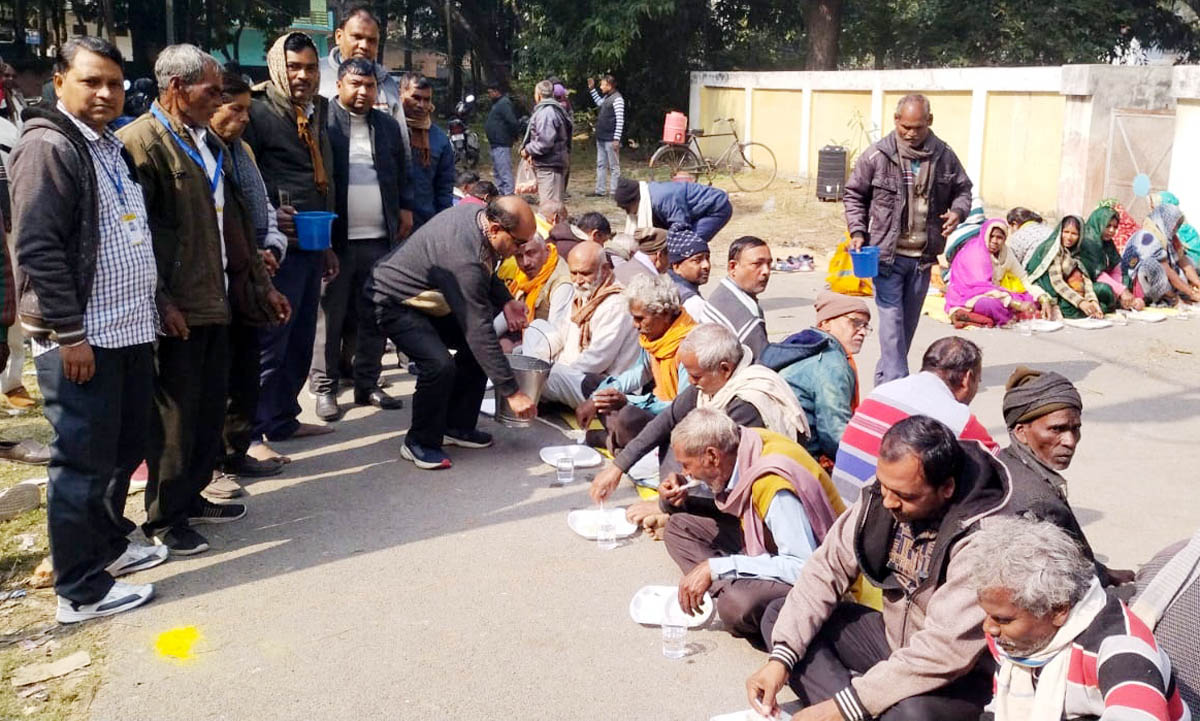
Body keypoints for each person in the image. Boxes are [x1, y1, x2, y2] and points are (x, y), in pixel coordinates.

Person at [11, 36, 163, 621]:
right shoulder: (47, 146)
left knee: (123, 448)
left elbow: (130, 232)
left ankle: (108, 549)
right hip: (82, 338)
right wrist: (69, 335)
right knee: (80, 460)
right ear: (58, 81)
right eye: (91, 81)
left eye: (115, 83)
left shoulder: (105, 144)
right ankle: (79, 590)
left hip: (126, 329)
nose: (105, 93)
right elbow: (38, 247)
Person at [118, 44, 291, 553]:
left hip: (216, 298)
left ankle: (191, 497)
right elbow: (138, 237)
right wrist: (160, 301)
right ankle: (164, 518)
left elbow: (232, 227)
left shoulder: (203, 143)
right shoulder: (141, 144)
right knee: (174, 419)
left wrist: (260, 287)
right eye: (212, 90)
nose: (220, 100)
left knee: (207, 410)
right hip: (178, 308)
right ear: (177, 89)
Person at [747, 415, 1010, 721]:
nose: (888, 502)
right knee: (782, 617)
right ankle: (853, 711)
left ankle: (849, 710)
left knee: (913, 715)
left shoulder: (981, 535)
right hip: (893, 642)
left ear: (947, 488)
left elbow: (945, 649)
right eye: (883, 486)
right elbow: (826, 568)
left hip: (956, 674)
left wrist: (842, 708)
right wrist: (780, 660)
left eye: (905, 496)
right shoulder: (884, 497)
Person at [359, 197, 538, 470]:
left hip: (426, 296)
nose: (520, 250)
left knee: (476, 350)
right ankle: (419, 441)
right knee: (438, 364)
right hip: (390, 300)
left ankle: (456, 425)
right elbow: (477, 330)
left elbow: (485, 272)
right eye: (518, 242)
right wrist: (512, 392)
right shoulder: (465, 258)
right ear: (494, 228)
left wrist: (506, 300)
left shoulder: (476, 216)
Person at [968, 517, 1188, 721]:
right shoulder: (1015, 640)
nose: (989, 628)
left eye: (1003, 620)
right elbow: (1001, 706)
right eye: (987, 615)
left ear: (1058, 611)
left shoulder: (1122, 649)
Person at [660, 408, 843, 646]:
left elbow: (803, 566)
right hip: (763, 542)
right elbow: (733, 486)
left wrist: (718, 568)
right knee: (677, 528)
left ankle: (728, 586)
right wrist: (688, 484)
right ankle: (730, 582)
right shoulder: (744, 443)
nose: (685, 472)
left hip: (817, 575)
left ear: (713, 456)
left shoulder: (774, 485)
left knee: (735, 606)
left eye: (687, 466)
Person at [243, 32, 340, 450]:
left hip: (313, 241)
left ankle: (282, 418)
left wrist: (328, 244)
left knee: (300, 338)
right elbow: (244, 175)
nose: (302, 75)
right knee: (269, 341)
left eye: (310, 67)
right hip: (276, 246)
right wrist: (265, 220)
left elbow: (325, 180)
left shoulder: (317, 110)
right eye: (294, 67)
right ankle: (248, 433)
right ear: (276, 67)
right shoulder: (259, 111)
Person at [589, 323, 809, 505]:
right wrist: (617, 468)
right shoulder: (709, 384)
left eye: (696, 376)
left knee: (678, 528)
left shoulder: (746, 404)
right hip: (709, 472)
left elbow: (730, 475)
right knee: (665, 436)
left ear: (724, 369)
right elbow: (666, 420)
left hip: (742, 492)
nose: (692, 383)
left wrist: (669, 503)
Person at [844, 94, 972, 385]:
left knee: (905, 331)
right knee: (891, 325)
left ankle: (883, 384)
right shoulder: (877, 155)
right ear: (896, 121)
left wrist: (957, 212)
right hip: (886, 257)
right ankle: (898, 388)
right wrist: (858, 232)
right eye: (906, 128)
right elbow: (854, 195)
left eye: (918, 128)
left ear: (929, 121)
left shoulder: (944, 156)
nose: (911, 134)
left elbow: (963, 190)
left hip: (923, 260)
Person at [310, 57, 408, 422]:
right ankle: (324, 388)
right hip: (337, 240)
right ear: (339, 85)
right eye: (355, 84)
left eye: (368, 86)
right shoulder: (323, 123)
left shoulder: (384, 125)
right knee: (330, 316)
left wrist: (405, 210)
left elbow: (401, 171)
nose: (363, 92)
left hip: (380, 238)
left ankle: (367, 383)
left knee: (375, 314)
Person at [208, 71, 291, 483]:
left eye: (246, 110)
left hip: (251, 276)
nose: (242, 119)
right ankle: (210, 467)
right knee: (214, 382)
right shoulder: (200, 152)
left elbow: (265, 211)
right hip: (214, 282)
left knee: (245, 370)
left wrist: (272, 249)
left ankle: (236, 452)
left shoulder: (243, 152)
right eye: (233, 108)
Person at [997, 367, 1135, 588]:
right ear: (1021, 431)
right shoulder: (1037, 502)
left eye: (1075, 428)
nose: (1070, 441)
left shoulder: (1005, 462)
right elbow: (1061, 589)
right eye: (1056, 429)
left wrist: (1103, 572)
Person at [831, 336, 996, 504]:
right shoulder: (961, 422)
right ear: (967, 378)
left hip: (838, 505)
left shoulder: (881, 392)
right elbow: (1002, 472)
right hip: (875, 517)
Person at [577, 273, 697, 455]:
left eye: (640, 319)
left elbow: (681, 407)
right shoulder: (654, 337)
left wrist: (628, 400)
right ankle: (619, 440)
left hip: (675, 421)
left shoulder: (689, 346)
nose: (635, 325)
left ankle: (612, 441)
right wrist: (599, 397)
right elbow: (639, 373)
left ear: (664, 314)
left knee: (629, 416)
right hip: (655, 407)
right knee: (593, 383)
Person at [318, 2, 412, 228]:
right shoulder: (317, 76)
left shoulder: (386, 84)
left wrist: (405, 204)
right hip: (328, 204)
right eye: (357, 37)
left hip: (379, 214)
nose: (364, 45)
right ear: (339, 36)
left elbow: (403, 151)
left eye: (371, 40)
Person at [528, 240, 639, 409]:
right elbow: (560, 331)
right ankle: (535, 387)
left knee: (547, 376)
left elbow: (598, 360)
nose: (578, 280)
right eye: (574, 273)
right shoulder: (585, 292)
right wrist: (536, 362)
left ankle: (533, 394)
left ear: (605, 269)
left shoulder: (616, 303)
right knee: (535, 329)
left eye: (585, 273)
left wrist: (552, 370)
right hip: (570, 369)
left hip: (601, 385)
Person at [769, 291, 869, 467]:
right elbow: (834, 434)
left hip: (775, 446)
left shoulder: (803, 343)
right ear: (826, 323)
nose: (862, 332)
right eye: (855, 323)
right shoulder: (832, 364)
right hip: (798, 459)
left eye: (865, 326)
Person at [945, 217, 1051, 327]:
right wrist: (1015, 304)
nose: (994, 241)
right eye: (991, 236)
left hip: (998, 293)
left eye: (999, 237)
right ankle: (1009, 316)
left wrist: (1042, 297)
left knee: (1030, 298)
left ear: (1005, 239)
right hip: (969, 295)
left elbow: (1023, 278)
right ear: (985, 235)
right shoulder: (976, 253)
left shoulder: (1006, 253)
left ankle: (1009, 313)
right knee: (989, 304)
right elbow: (981, 287)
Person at [700, 235, 771, 361]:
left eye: (769, 264)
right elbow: (764, 362)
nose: (766, 271)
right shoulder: (745, 314)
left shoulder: (723, 292)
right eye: (757, 264)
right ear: (732, 267)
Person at [399, 72, 455, 229]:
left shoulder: (440, 140)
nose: (422, 105)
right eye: (415, 98)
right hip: (391, 223)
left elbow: (444, 188)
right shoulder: (389, 131)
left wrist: (442, 224)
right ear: (401, 94)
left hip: (424, 224)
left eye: (426, 99)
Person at [1024, 215, 1108, 319]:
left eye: (1074, 234)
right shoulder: (1053, 250)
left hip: (1073, 289)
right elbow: (1057, 282)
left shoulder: (1079, 251)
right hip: (1052, 291)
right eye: (1066, 232)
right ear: (1060, 232)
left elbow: (1086, 280)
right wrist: (1081, 302)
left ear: (1080, 236)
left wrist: (1092, 301)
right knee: (1071, 309)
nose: (1069, 237)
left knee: (1105, 292)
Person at [1121, 202, 1200, 306]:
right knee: (1151, 265)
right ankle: (1172, 298)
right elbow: (1166, 270)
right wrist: (1190, 292)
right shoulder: (1148, 236)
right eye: (1174, 224)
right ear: (1166, 221)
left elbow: (1183, 261)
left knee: (1189, 261)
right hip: (1137, 283)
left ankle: (1174, 295)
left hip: (1163, 281)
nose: (1175, 228)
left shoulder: (1170, 238)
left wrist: (1198, 284)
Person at [498, 232, 573, 339]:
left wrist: (516, 350)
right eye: (519, 256)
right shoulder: (522, 276)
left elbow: (555, 336)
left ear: (546, 250)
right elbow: (513, 309)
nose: (525, 262)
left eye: (531, 253)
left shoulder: (562, 284)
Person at [615, 177, 733, 242]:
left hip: (716, 208)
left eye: (627, 208)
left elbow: (681, 230)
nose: (629, 213)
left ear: (635, 200)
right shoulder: (648, 197)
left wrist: (657, 234)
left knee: (688, 244)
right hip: (695, 211)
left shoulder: (660, 200)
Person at [1081, 201, 1145, 311]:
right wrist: (1121, 291)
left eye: (1115, 227)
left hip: (1106, 281)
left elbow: (1117, 268)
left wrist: (1125, 291)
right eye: (1108, 226)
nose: (1112, 231)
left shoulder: (1108, 243)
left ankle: (1125, 302)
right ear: (1098, 224)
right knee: (1104, 290)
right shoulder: (1088, 242)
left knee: (1126, 279)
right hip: (1086, 284)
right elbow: (1097, 275)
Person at [521, 79, 571, 206]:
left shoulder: (546, 113)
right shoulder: (549, 110)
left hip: (550, 166)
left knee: (550, 206)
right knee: (552, 205)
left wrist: (527, 150)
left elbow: (544, 142)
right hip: (550, 164)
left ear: (538, 94)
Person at [587, 74, 624, 197]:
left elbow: (620, 120)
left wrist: (616, 139)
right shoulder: (608, 97)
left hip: (610, 138)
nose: (601, 87)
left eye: (602, 84)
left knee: (614, 166)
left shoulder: (617, 99)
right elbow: (599, 103)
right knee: (601, 164)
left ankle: (615, 191)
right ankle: (600, 190)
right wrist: (592, 89)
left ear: (609, 85)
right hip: (602, 137)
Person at [666, 225, 711, 319]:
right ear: (677, 267)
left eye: (707, 258)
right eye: (697, 260)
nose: (706, 265)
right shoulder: (693, 304)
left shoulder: (667, 285)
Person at [484, 82, 521, 195]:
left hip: (502, 142)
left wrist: (514, 136)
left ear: (496, 91)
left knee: (504, 171)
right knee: (497, 171)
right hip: (495, 143)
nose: (489, 95)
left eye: (490, 92)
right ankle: (501, 193)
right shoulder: (497, 104)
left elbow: (512, 121)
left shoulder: (504, 103)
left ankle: (509, 194)